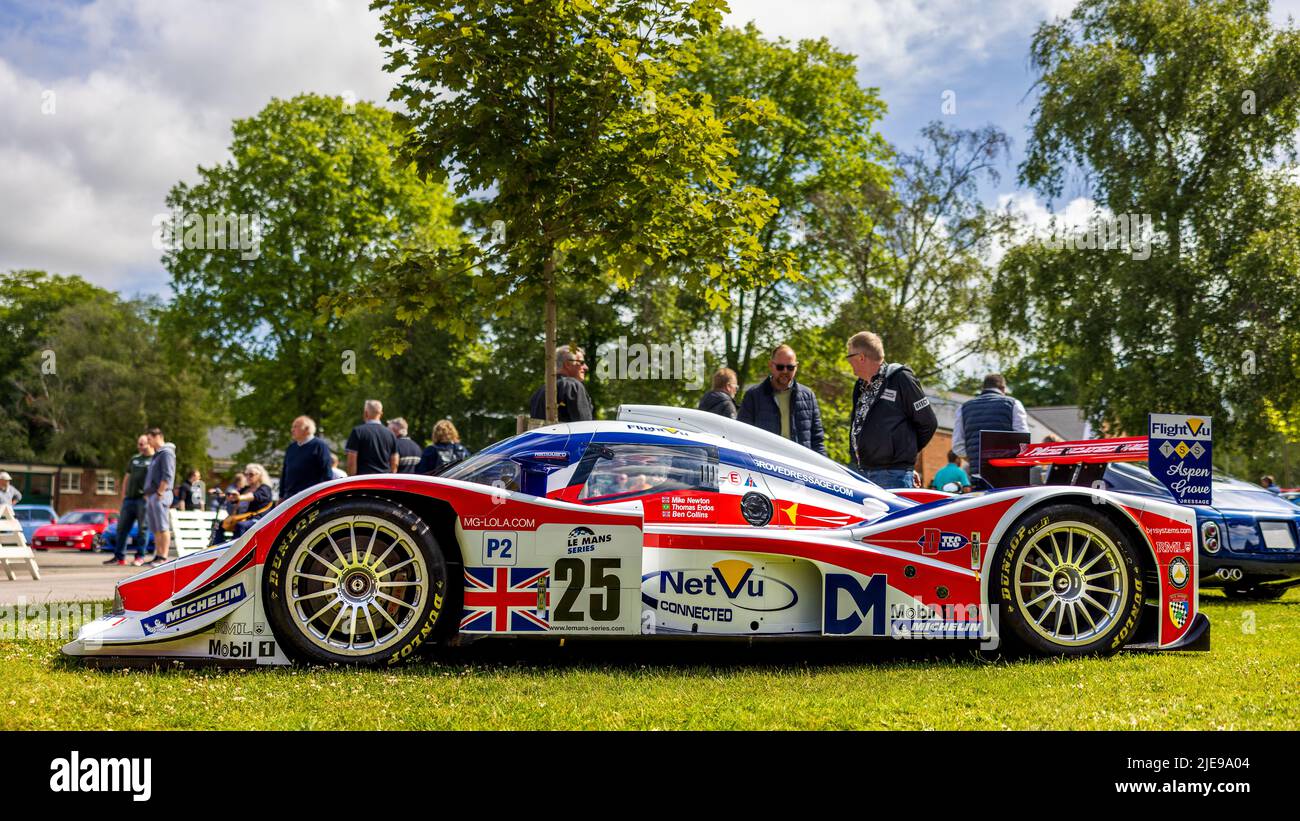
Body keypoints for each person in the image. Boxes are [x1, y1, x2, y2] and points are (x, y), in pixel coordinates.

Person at [845, 332, 937, 489]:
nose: (848, 362)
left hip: (892, 475)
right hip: (860, 473)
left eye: (849, 357)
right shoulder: (859, 386)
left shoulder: (900, 378)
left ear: (861, 357)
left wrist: (903, 456)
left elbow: (928, 422)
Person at [737, 344, 827, 456]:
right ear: (771, 365)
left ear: (796, 367)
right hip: (765, 464)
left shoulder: (808, 396)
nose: (785, 371)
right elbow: (742, 435)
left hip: (800, 464)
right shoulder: (753, 395)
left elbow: (817, 440)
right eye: (780, 367)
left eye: (790, 367)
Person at [952, 373, 1030, 484]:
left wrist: (976, 460)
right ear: (1003, 388)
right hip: (1008, 473)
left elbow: (958, 445)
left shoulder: (964, 408)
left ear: (983, 388)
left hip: (978, 474)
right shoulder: (1013, 404)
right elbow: (1023, 440)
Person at [104, 435, 155, 566]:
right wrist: (123, 495)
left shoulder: (154, 459)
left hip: (143, 500)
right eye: (139, 444)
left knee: (142, 529)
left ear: (149, 443)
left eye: (142, 444)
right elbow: (127, 477)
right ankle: (119, 557)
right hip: (129, 500)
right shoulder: (135, 459)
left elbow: (157, 480)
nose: (140, 447)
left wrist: (149, 495)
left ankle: (140, 557)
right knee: (121, 528)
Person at [529, 345, 594, 422]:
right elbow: (584, 427)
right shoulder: (572, 386)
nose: (586, 367)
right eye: (582, 362)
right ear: (568, 364)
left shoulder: (538, 393)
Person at [141, 426, 176, 565]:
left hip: (161, 494)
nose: (148, 442)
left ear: (157, 437)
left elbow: (168, 474)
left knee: (162, 526)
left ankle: (164, 557)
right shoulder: (157, 454)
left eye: (149, 439)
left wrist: (160, 491)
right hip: (152, 495)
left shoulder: (166, 453)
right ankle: (158, 554)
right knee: (155, 527)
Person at [217, 463, 275, 541]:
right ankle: (217, 548)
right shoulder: (246, 488)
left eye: (251, 474)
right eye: (246, 474)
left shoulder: (265, 488)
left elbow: (254, 496)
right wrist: (226, 496)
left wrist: (239, 497)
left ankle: (237, 551)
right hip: (245, 519)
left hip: (260, 520)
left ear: (260, 475)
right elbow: (234, 498)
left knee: (241, 525)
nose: (247, 477)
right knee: (219, 525)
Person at [280, 415, 333, 500]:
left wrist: (325, 495)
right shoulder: (291, 447)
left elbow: (327, 473)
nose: (292, 430)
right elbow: (285, 472)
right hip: (289, 497)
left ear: (307, 429)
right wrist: (281, 495)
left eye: (295, 427)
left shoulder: (319, 446)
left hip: (310, 496)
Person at [345, 399, 399, 475]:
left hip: (364, 480)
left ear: (366, 413)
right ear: (381, 414)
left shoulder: (358, 431)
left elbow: (351, 461)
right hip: (384, 481)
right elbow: (395, 461)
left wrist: (351, 480)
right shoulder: (391, 434)